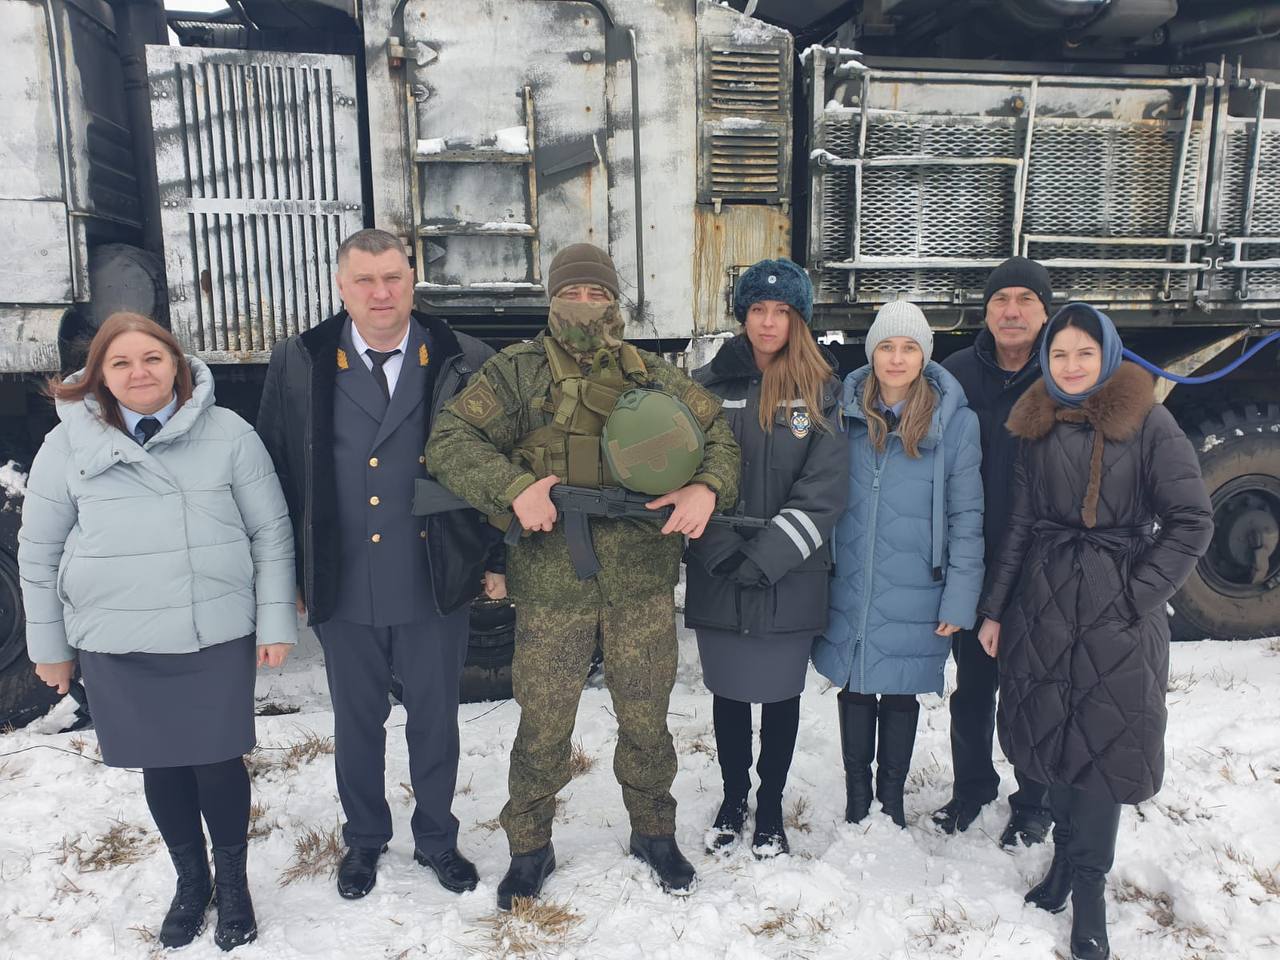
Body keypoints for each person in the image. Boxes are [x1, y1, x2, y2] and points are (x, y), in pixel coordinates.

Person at [425, 243, 740, 909]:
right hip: (551, 587)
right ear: (552, 298)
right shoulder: (518, 373)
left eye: (598, 295)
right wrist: (513, 487)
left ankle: (654, 832)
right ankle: (529, 847)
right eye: (573, 293)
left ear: (615, 301)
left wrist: (706, 489)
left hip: (642, 588)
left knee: (648, 720)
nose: (586, 306)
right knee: (543, 725)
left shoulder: (650, 373)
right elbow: (448, 442)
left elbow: (720, 439)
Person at [18, 312, 295, 951]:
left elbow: (270, 532)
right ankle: (190, 882)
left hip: (211, 631)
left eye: (152, 359)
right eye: (121, 363)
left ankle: (234, 884)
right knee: (161, 764)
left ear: (176, 364)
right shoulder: (67, 445)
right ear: (99, 376)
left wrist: (275, 619)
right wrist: (50, 648)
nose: (139, 373)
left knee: (218, 761)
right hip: (117, 639)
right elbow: (38, 551)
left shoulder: (228, 433)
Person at [255, 228, 501, 900]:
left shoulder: (461, 357)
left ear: (411, 278)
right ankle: (364, 841)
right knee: (355, 721)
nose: (380, 292)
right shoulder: (301, 360)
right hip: (343, 577)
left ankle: (437, 840)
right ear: (341, 285)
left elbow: (504, 464)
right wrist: (287, 576)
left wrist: (495, 554)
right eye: (364, 280)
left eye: (392, 277)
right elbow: (275, 471)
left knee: (435, 719)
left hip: (431, 574)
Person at [977, 303, 1212, 960]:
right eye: (1059, 355)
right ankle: (1059, 865)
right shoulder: (1039, 423)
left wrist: (1136, 594)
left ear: (1107, 356)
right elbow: (1021, 525)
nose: (1071, 366)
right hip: (1044, 608)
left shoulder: (1150, 424)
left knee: (1104, 753)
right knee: (1052, 740)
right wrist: (996, 609)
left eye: (1084, 353)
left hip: (1117, 619)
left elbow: (1193, 521)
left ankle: (1089, 893)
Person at [683, 259, 846, 857]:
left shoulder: (822, 390)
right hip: (720, 566)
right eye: (758, 310)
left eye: (782, 311)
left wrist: (767, 557)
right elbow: (689, 471)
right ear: (743, 315)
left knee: (780, 698)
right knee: (729, 696)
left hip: (790, 574)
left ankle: (770, 806)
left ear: (798, 318)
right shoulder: (706, 386)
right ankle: (732, 799)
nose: (769, 322)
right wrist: (722, 549)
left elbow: (824, 488)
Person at [813, 300, 985, 829]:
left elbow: (967, 515)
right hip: (855, 577)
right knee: (858, 682)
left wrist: (960, 596)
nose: (896, 358)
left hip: (919, 580)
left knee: (903, 685)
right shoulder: (843, 413)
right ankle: (858, 797)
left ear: (925, 355)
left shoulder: (954, 422)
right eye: (886, 346)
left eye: (909, 347)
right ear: (871, 351)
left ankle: (891, 797)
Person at [934, 256, 1056, 845]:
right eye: (1001, 300)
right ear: (985, 311)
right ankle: (971, 788)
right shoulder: (955, 374)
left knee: (1033, 691)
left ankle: (1035, 800)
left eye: (1025, 301)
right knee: (973, 688)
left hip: (1040, 563)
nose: (1011, 311)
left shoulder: (1060, 375)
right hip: (974, 559)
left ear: (1044, 312)